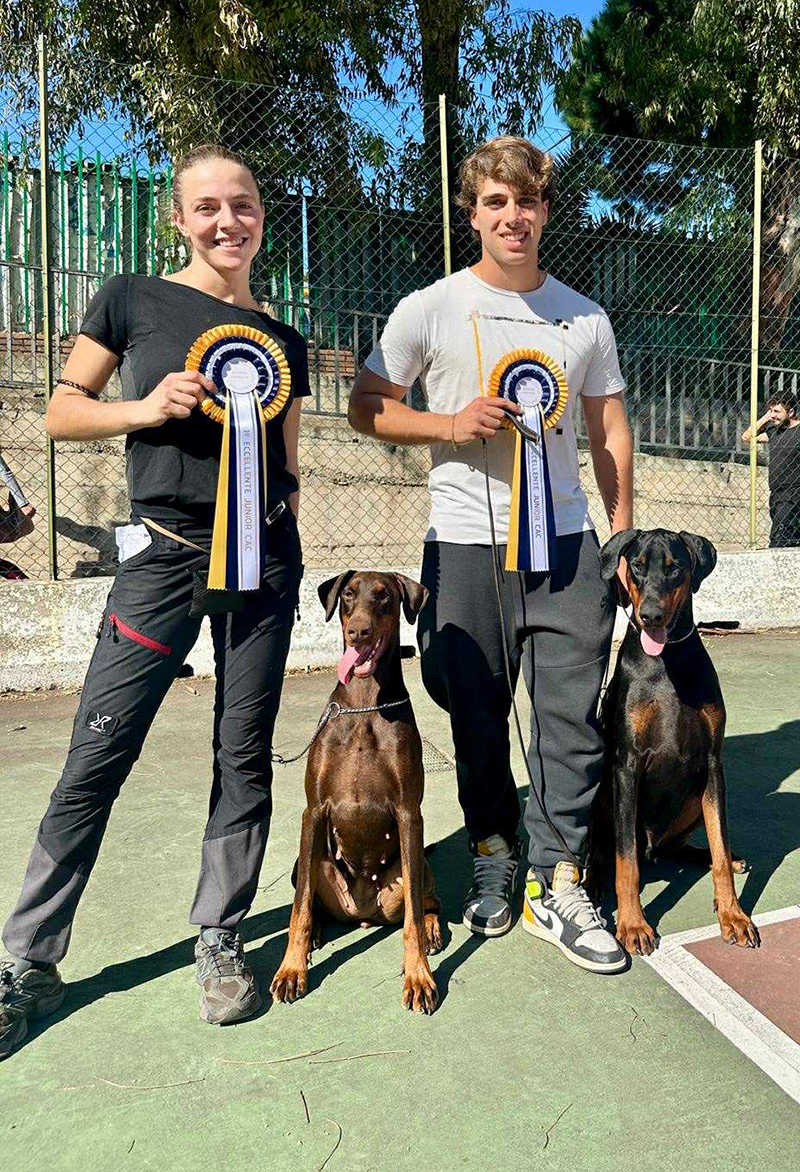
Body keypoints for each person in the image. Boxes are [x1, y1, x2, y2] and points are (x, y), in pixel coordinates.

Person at [0, 144, 310, 1058]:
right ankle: (28, 961)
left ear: (262, 218)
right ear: (178, 220)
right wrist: (147, 409)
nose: (226, 221)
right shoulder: (131, 299)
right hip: (161, 562)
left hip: (263, 569)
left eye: (242, 205)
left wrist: (285, 527)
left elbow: (289, 467)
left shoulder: (284, 342)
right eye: (206, 207)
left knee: (243, 754)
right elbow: (61, 412)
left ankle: (221, 935)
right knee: (96, 754)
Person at [348, 136, 633, 974]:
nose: (514, 216)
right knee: (474, 711)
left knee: (570, 717)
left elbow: (610, 430)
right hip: (465, 544)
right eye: (496, 202)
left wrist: (619, 535)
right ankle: (493, 849)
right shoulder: (428, 308)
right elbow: (366, 405)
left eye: (528, 200)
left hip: (567, 546)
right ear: (471, 213)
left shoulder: (585, 317)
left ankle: (558, 876)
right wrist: (448, 423)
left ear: (547, 210)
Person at [741, 393, 800, 547]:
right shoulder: (775, 432)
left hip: (794, 493)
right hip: (776, 494)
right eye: (771, 411)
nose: (773, 415)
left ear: (791, 412)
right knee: (791, 539)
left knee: (779, 538)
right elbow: (746, 437)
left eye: (777, 411)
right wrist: (766, 418)